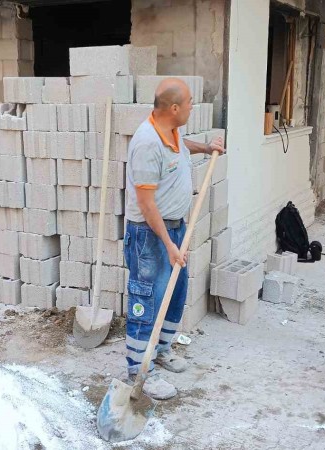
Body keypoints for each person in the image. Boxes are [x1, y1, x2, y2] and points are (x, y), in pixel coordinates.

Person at [124, 78, 224, 400]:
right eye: (191, 102)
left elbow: (183, 148)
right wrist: (168, 244)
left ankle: (162, 350)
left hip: (175, 228)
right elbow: (145, 203)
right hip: (149, 235)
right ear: (175, 108)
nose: (193, 106)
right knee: (147, 299)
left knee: (176, 294)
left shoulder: (171, 131)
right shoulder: (147, 143)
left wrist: (207, 148)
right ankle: (140, 370)